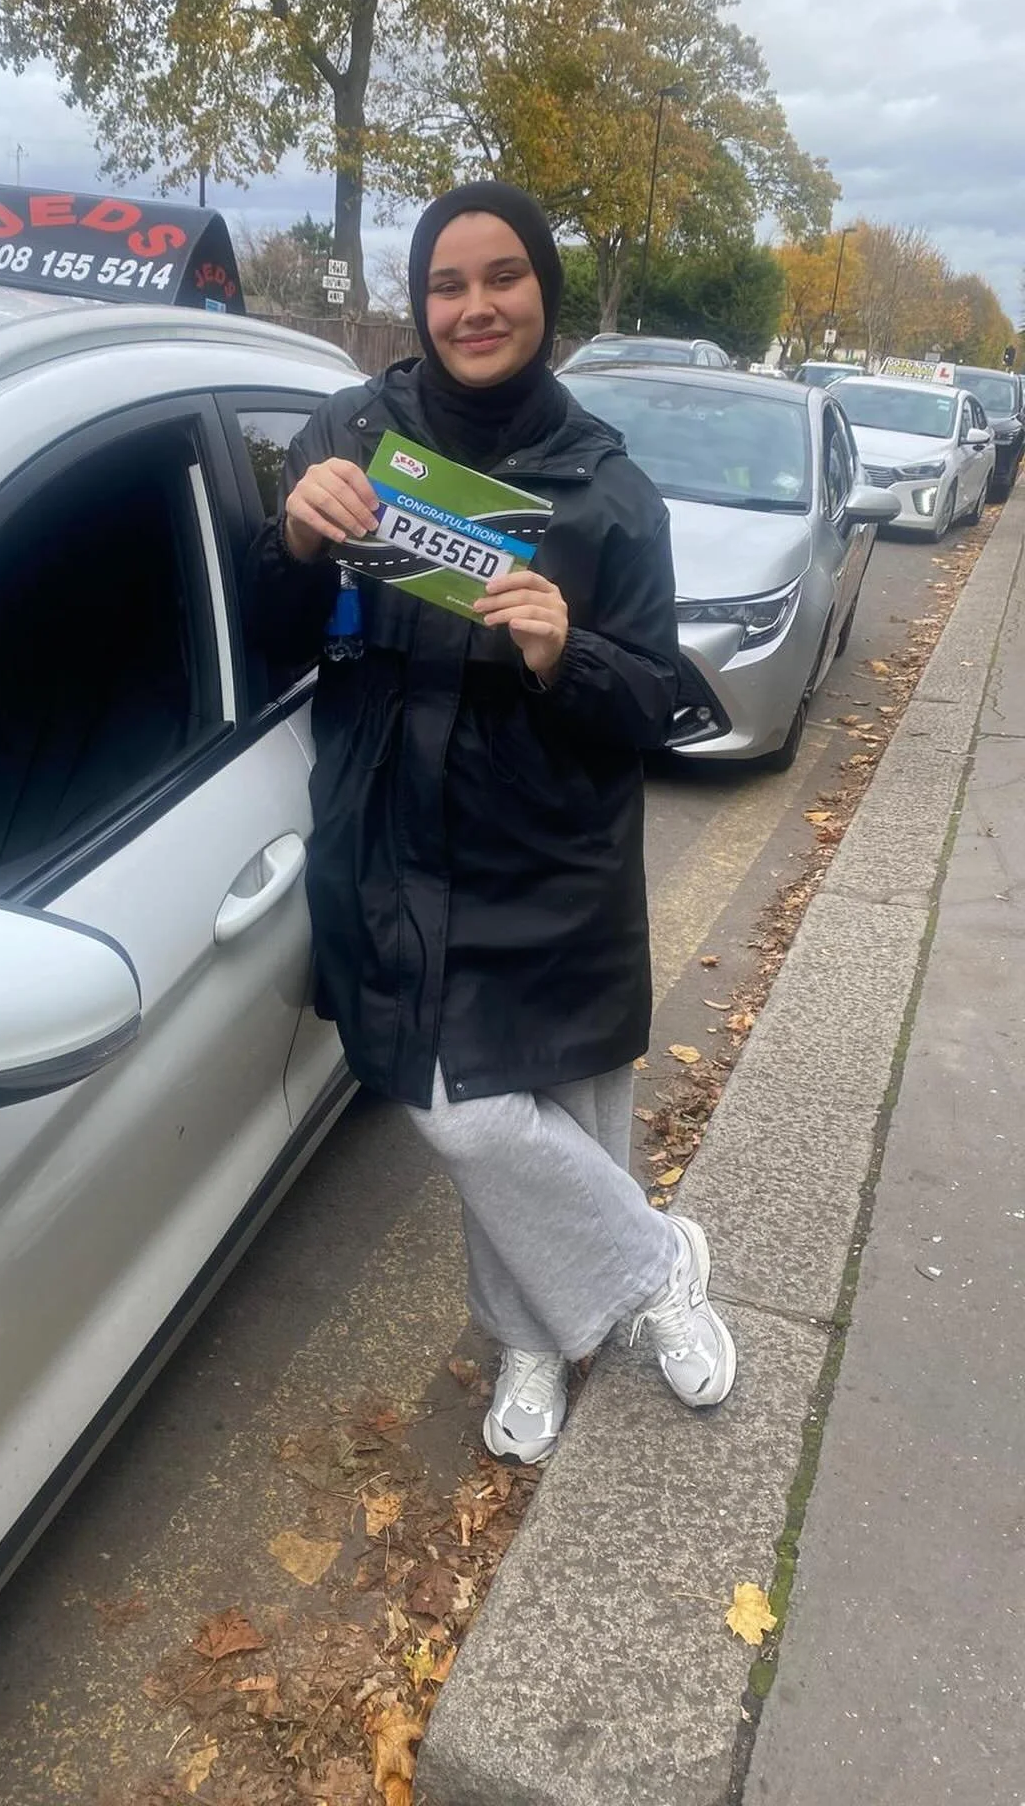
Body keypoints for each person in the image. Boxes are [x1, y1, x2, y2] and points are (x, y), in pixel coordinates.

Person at [244, 181, 736, 1463]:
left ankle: (529, 1344)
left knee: (574, 1114)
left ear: (545, 294)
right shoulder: (348, 436)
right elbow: (261, 644)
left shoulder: (609, 491)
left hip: (554, 850)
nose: (474, 306)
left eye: (502, 276)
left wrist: (566, 651)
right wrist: (292, 542)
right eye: (447, 283)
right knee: (465, 1114)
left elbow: (660, 704)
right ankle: (651, 1259)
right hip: (396, 842)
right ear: (419, 302)